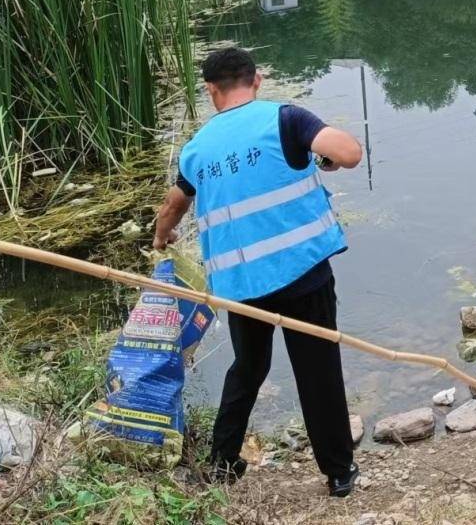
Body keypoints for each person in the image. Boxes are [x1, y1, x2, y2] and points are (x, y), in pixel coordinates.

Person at [153, 46, 364, 496]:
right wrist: (323, 157)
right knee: (318, 369)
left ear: (211, 91)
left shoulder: (197, 148)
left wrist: (161, 237)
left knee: (248, 367)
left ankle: (223, 462)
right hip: (303, 273)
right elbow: (348, 153)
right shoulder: (285, 120)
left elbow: (174, 204)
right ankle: (339, 473)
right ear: (257, 80)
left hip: (242, 286)